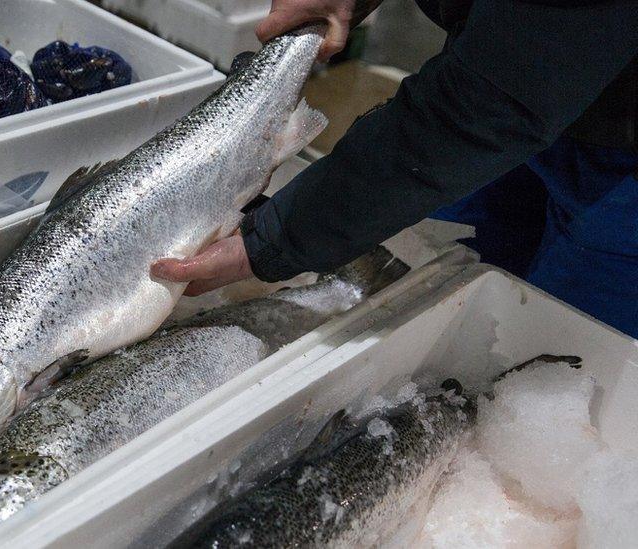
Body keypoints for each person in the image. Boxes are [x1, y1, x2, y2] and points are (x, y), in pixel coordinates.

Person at [152, 0, 638, 337]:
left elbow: (490, 106)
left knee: (560, 348)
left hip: (603, 145)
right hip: (515, 71)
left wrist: (270, 240)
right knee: (455, 288)